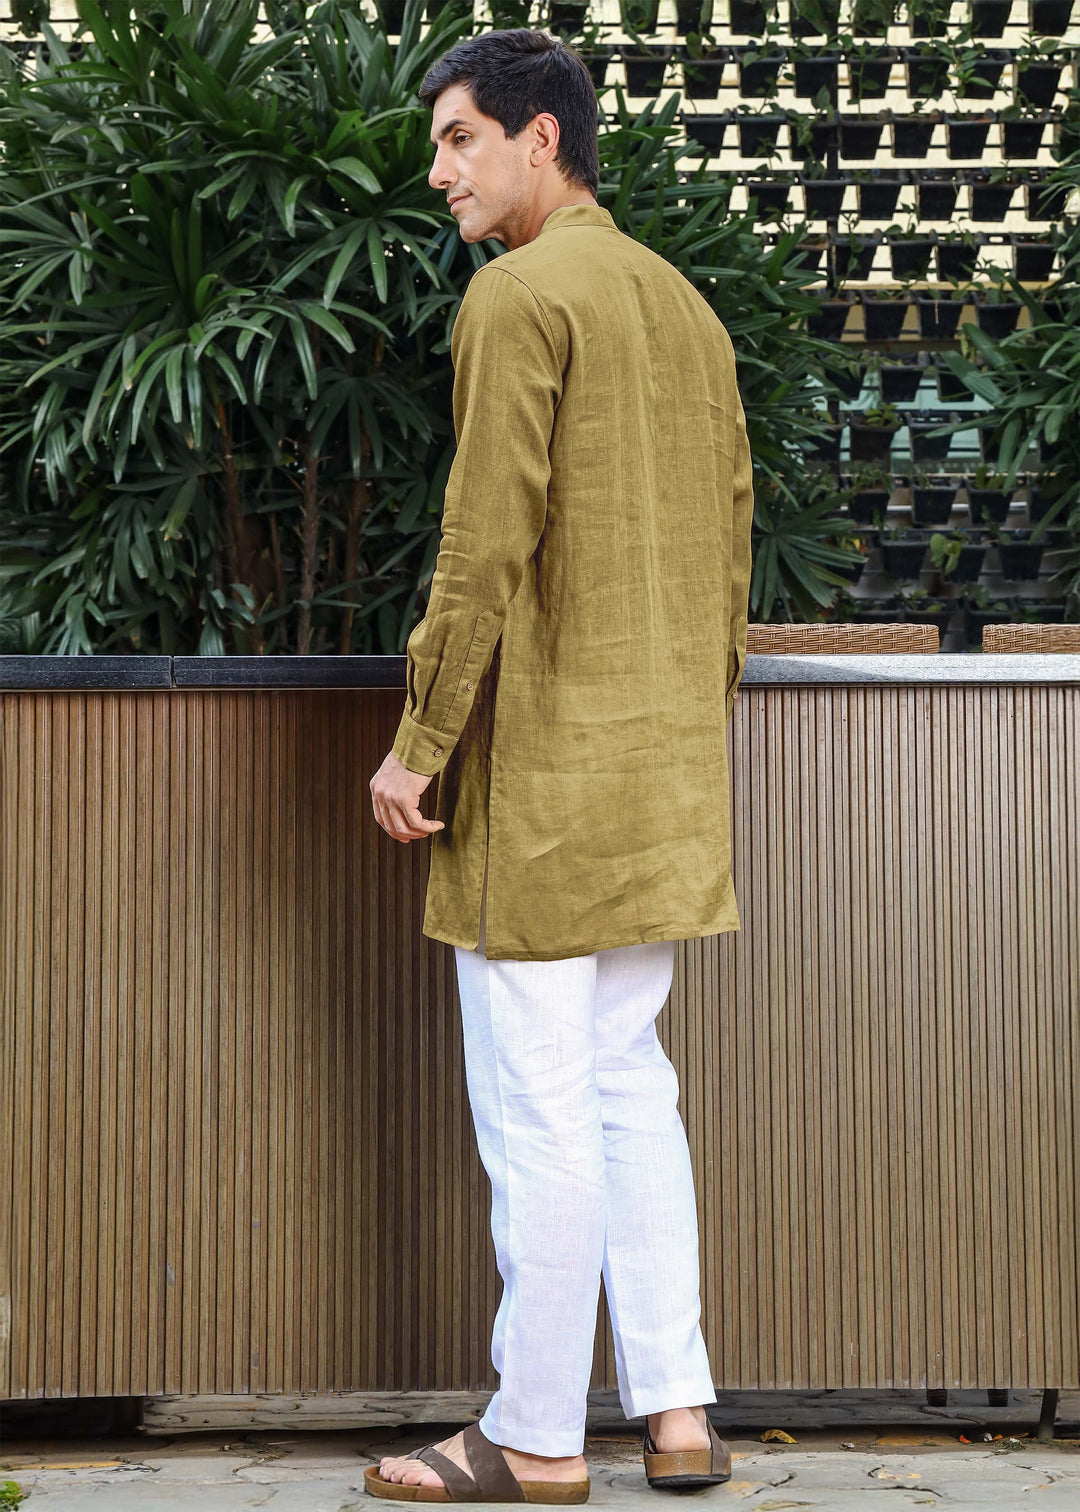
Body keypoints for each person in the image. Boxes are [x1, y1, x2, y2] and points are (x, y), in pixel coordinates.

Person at [367, 24, 752, 1505]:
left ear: (542, 140)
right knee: (623, 1088)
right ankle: (676, 1412)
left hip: (536, 787)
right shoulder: (684, 307)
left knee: (541, 1111)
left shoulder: (520, 298)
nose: (441, 170)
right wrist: (682, 722)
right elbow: (729, 555)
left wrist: (418, 747)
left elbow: (483, 548)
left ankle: (530, 1435)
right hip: (660, 777)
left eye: (461, 139)